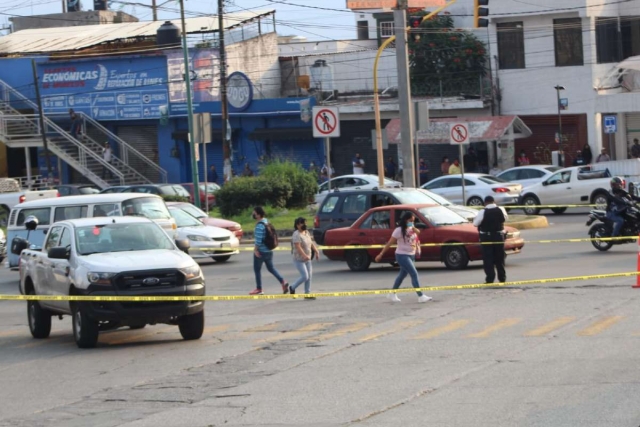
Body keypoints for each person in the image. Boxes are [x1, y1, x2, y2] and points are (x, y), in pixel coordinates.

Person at [374, 211, 432, 303]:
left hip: (411, 255)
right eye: (410, 220)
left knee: (402, 275)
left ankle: (392, 294)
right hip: (402, 255)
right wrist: (381, 254)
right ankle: (420, 296)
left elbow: (418, 233)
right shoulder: (398, 230)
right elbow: (389, 243)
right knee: (414, 273)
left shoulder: (412, 228)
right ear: (405, 220)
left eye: (413, 221)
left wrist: (413, 228)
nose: (412, 222)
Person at [250, 206, 289, 295]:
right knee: (271, 268)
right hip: (269, 251)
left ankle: (259, 289)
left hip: (261, 252)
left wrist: (255, 250)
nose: (253, 214)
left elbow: (258, 241)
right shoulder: (267, 222)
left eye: (254, 213)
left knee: (257, 270)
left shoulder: (260, 226)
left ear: (258, 215)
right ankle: (283, 281)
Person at [473, 196, 508, 284]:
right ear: (494, 201)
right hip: (499, 236)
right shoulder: (501, 209)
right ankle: (502, 278)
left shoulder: (483, 211)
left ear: (485, 203)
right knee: (500, 258)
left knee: (488, 259)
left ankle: (490, 279)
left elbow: (475, 224)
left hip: (486, 238)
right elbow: (505, 219)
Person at [289, 217, 320, 299]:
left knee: (309, 277)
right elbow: (298, 247)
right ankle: (292, 287)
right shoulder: (296, 234)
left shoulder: (306, 232)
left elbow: (311, 242)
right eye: (302, 223)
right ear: (297, 225)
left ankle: (307, 294)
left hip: (308, 259)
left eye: (305, 223)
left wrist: (316, 251)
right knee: (305, 276)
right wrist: (304, 255)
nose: (305, 224)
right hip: (299, 259)